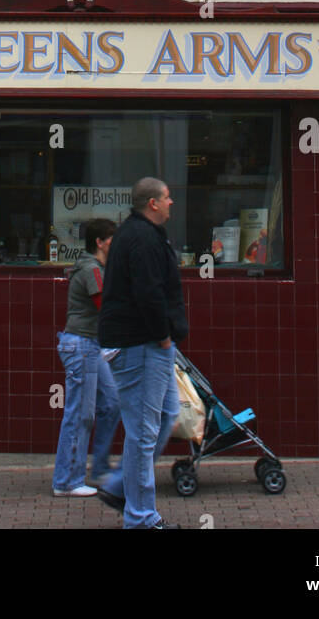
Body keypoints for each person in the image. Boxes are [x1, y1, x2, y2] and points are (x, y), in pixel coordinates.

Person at [96, 177, 188, 529]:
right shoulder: (144, 240)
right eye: (167, 197)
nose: (171, 203)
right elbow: (149, 293)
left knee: (167, 414)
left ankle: (120, 487)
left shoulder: (134, 235)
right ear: (152, 203)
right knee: (143, 431)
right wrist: (163, 336)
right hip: (142, 346)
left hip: (141, 343)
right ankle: (141, 518)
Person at [52, 218, 122, 497]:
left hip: (90, 345)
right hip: (82, 346)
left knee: (112, 402)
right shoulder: (92, 270)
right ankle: (67, 481)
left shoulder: (99, 269)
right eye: (112, 238)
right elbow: (105, 307)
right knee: (80, 414)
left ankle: (100, 467)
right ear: (100, 242)